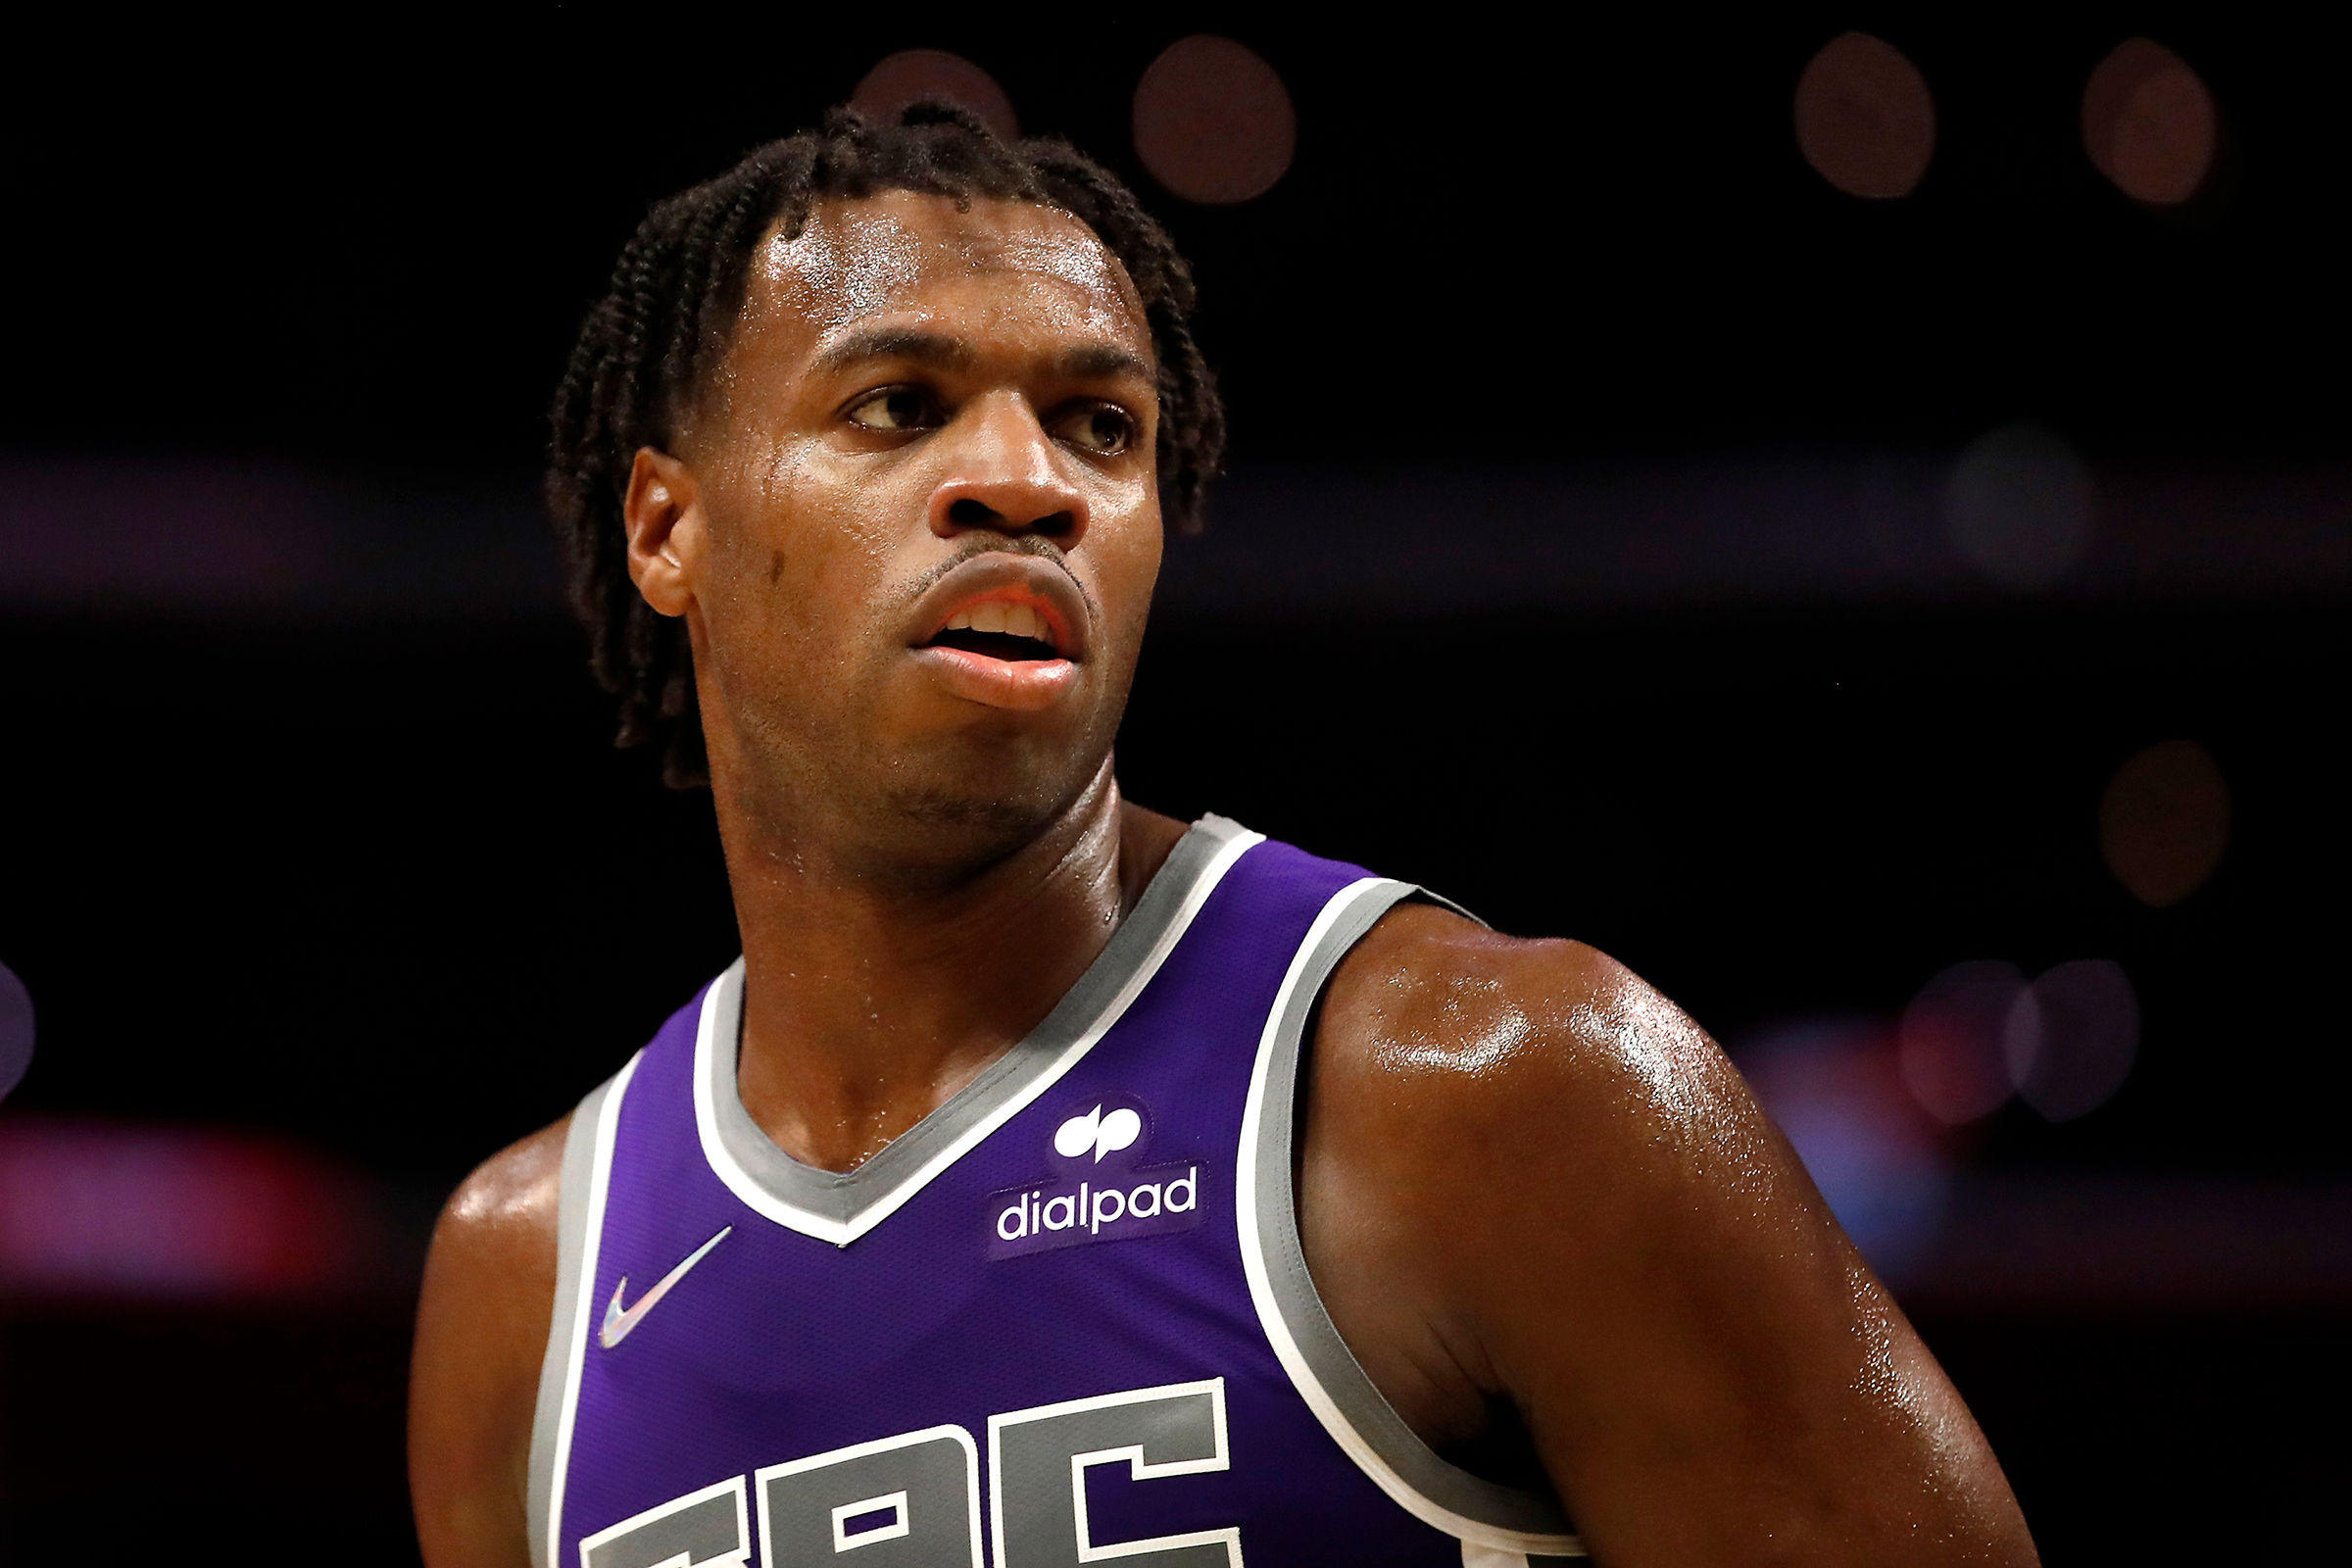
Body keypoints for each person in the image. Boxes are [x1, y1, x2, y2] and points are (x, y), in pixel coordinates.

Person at [409, 106, 2037, 1568]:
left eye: (1100, 427)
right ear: (665, 527)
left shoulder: (1495, 1087)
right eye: (900, 406)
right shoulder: (526, 1285)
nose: (1023, 482)